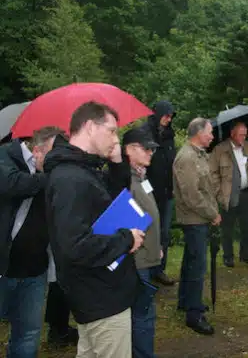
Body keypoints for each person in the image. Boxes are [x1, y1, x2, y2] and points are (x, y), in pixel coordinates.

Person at [45, 102, 144, 358]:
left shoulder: (83, 169)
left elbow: (112, 200)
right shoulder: (70, 178)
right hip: (101, 299)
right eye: (111, 131)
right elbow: (75, 246)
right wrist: (126, 239)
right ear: (89, 127)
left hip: (97, 293)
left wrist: (117, 161)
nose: (116, 138)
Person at [0, 126, 65, 358]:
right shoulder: (6, 155)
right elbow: (12, 184)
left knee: (28, 334)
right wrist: (49, 176)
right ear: (37, 150)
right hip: (4, 265)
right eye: (53, 155)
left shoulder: (50, 173)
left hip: (35, 268)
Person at [109, 127, 162, 358]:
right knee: (142, 315)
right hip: (135, 259)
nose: (151, 152)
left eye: (152, 148)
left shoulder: (140, 176)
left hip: (146, 255)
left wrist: (156, 244)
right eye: (146, 148)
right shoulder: (124, 180)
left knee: (143, 314)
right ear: (129, 150)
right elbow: (123, 222)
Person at [173, 118, 220, 335]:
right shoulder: (187, 158)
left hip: (199, 217)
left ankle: (186, 301)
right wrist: (212, 214)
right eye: (209, 132)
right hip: (194, 219)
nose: (212, 136)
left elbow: (205, 188)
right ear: (198, 133)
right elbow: (192, 196)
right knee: (197, 266)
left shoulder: (199, 154)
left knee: (190, 261)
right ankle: (194, 314)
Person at [141, 100, 176, 286]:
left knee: (164, 232)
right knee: (147, 231)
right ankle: (145, 269)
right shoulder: (145, 133)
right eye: (166, 115)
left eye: (170, 116)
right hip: (149, 192)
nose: (168, 119)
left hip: (167, 192)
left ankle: (159, 269)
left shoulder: (170, 135)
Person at [211, 121, 248, 268]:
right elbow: (213, 174)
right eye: (241, 134)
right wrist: (219, 194)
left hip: (246, 192)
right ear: (232, 134)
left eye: (245, 134)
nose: (244, 137)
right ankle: (228, 257)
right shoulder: (220, 149)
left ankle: (246, 255)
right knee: (227, 227)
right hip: (228, 193)